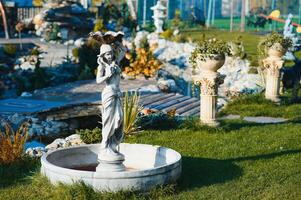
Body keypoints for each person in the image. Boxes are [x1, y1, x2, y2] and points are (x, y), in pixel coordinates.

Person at [96, 44, 124, 160]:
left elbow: (122, 52)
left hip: (117, 94)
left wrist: (119, 44)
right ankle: (105, 145)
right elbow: (98, 80)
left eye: (111, 53)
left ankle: (112, 145)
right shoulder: (101, 66)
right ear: (102, 55)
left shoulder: (115, 62)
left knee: (119, 119)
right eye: (107, 54)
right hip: (108, 94)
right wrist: (107, 75)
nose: (110, 56)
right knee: (108, 121)